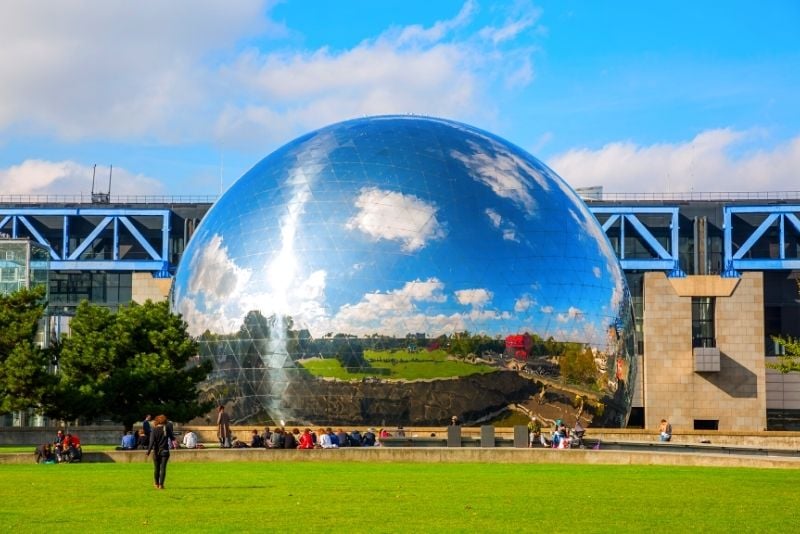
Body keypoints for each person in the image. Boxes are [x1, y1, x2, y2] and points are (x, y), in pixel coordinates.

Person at [146, 414, 175, 489]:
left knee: (156, 468)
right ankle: (161, 485)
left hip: (156, 451)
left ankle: (156, 484)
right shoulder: (167, 429)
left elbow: (151, 442)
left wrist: (148, 452)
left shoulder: (154, 430)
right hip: (165, 451)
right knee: (163, 468)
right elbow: (172, 438)